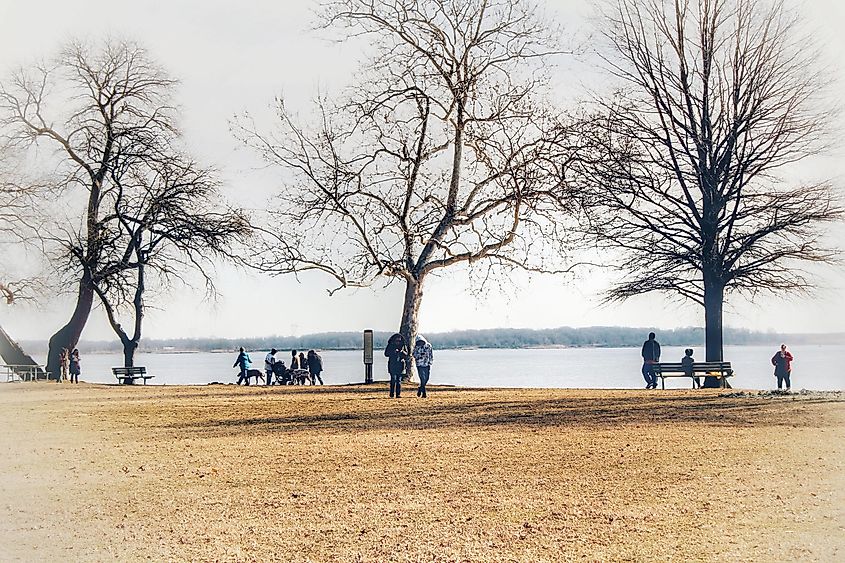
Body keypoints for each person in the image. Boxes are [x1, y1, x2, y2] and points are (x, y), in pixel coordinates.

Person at [384, 333, 408, 398]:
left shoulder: (403, 346)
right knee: (393, 380)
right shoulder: (390, 345)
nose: (398, 341)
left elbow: (407, 355)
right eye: (397, 340)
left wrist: (402, 352)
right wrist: (393, 352)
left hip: (400, 365)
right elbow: (386, 354)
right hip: (392, 364)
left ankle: (398, 394)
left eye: (399, 340)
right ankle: (391, 394)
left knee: (399, 380)